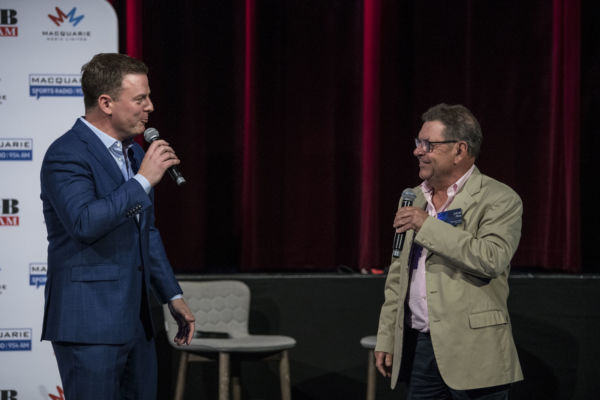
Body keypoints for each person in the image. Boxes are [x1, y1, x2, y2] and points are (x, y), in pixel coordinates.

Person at [40, 53, 195, 399]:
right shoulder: (66, 154)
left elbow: (146, 231)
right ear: (106, 103)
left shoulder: (136, 154)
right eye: (140, 98)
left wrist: (172, 295)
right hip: (89, 324)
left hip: (137, 322)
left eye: (149, 97)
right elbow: (84, 222)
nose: (150, 107)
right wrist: (142, 182)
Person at [374, 103, 523, 399]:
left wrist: (426, 225)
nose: (417, 151)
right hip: (420, 348)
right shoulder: (413, 198)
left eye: (428, 144)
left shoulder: (499, 198)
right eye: (418, 142)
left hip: (475, 350)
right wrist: (387, 336)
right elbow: (397, 276)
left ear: (459, 150)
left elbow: (491, 258)